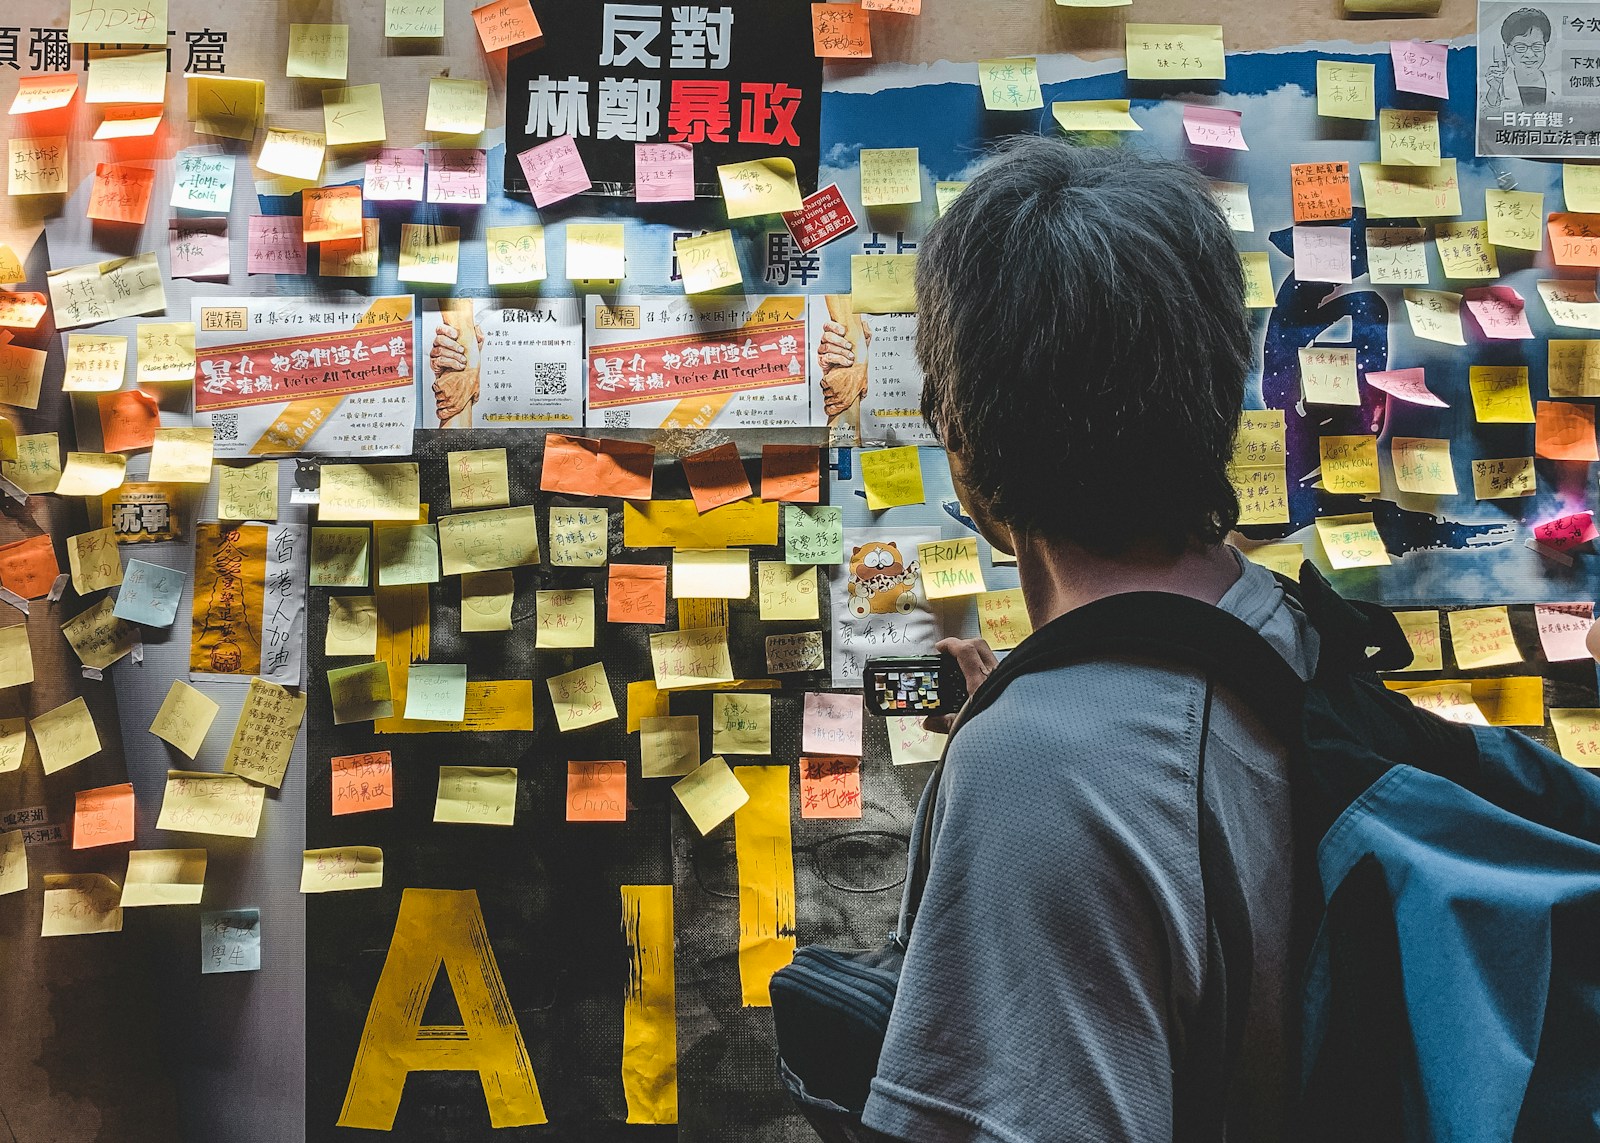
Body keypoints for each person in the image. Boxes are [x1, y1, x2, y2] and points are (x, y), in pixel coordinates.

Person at [860, 136, 1317, 1143]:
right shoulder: (1291, 635)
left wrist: (1022, 751)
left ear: (956, 431)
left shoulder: (1036, 768)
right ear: (1221, 387)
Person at [1482, 7, 1558, 109]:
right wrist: (1494, 89)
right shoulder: (1497, 82)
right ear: (1507, 49)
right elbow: (1488, 114)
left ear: (1545, 47)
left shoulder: (1556, 83)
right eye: (1521, 47)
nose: (1530, 54)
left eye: (1537, 46)